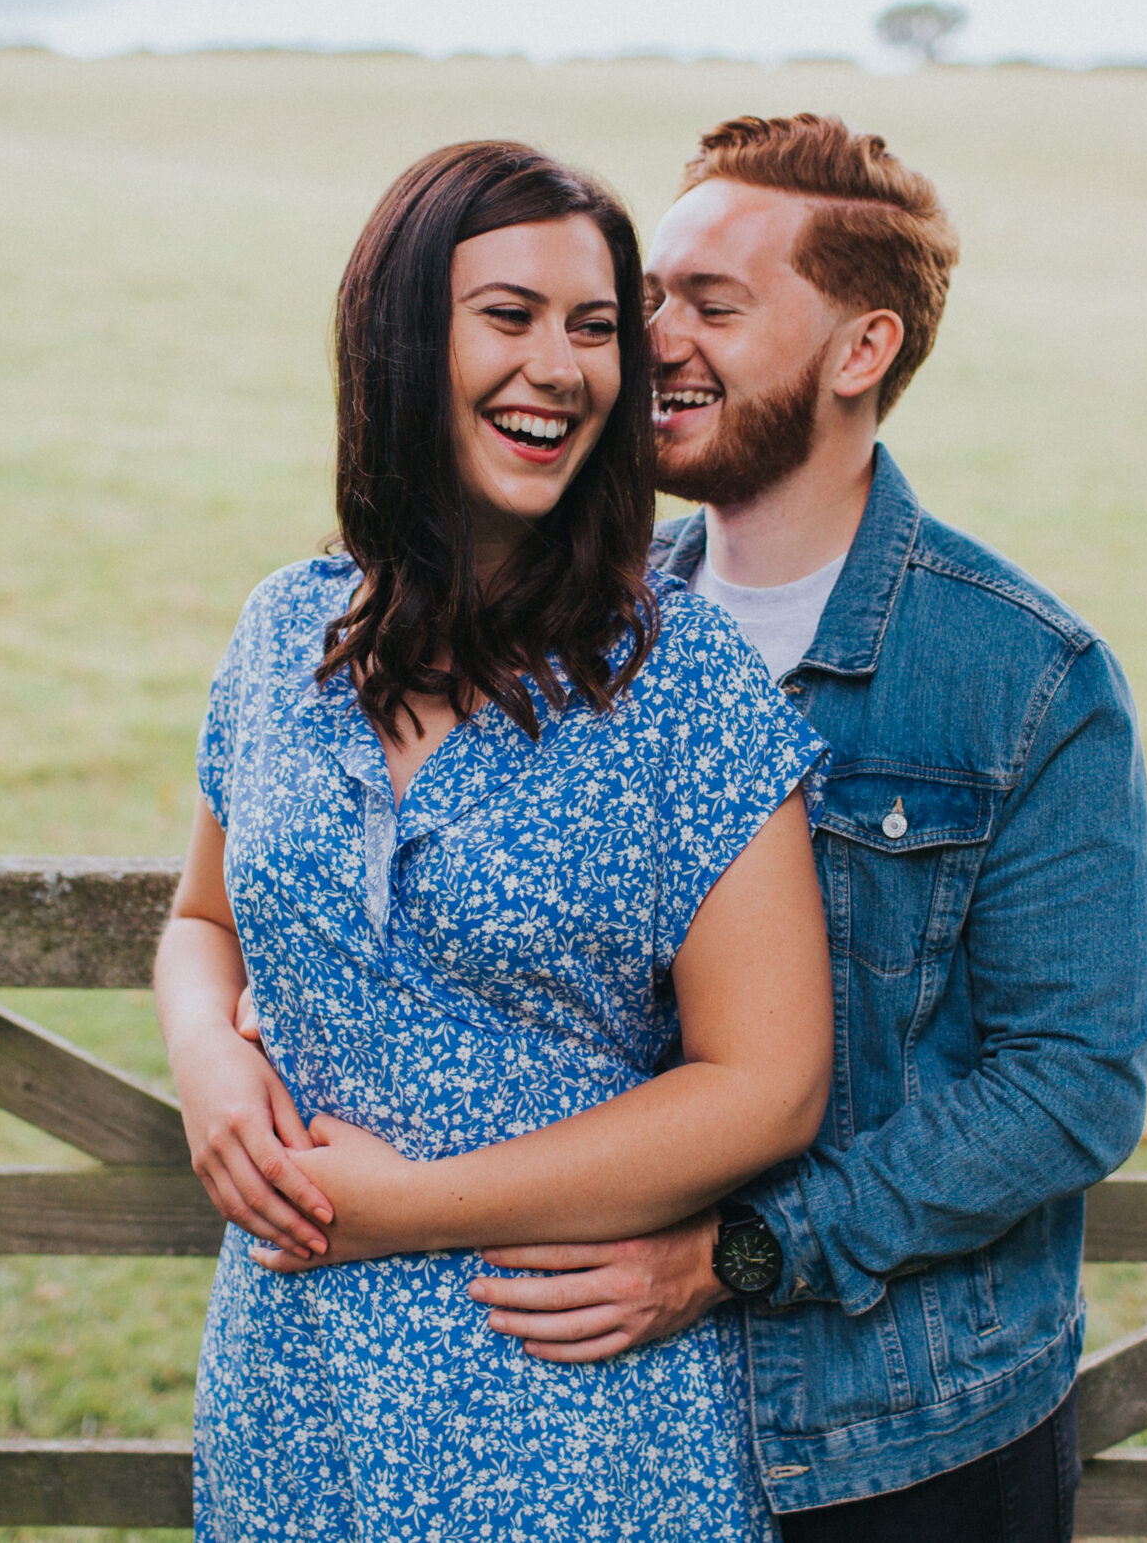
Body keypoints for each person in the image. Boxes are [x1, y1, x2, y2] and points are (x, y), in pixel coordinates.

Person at [464, 115, 1147, 1541]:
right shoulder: (576, 630)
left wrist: (739, 1255)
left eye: (713, 307)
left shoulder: (1025, 677)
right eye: (648, 299)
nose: (650, 342)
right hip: (605, 1420)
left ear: (861, 351)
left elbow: (1073, 1082)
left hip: (903, 1440)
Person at [155, 139, 833, 1541]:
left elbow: (769, 1086)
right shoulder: (284, 635)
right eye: (510, 317)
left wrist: (411, 1209)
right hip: (296, 1389)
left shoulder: (687, 691)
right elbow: (201, 923)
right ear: (403, 339)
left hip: (569, 1413)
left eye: (595, 329)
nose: (565, 368)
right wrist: (213, 1066)